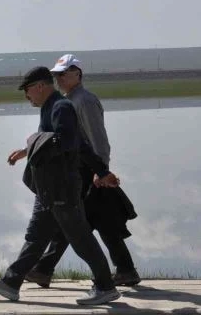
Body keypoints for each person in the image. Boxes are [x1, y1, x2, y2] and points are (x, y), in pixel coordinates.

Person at [0, 66, 121, 305]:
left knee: (80, 238)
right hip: (48, 187)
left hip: (62, 187)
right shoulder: (50, 108)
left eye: (27, 91)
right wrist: (29, 149)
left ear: (39, 86)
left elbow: (68, 142)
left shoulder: (61, 107)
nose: (27, 97)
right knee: (36, 236)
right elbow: (69, 142)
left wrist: (102, 171)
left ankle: (106, 286)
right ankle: (11, 283)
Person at [25, 54, 140, 288]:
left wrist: (101, 171)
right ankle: (124, 270)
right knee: (93, 222)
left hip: (89, 175)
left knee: (73, 222)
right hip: (83, 172)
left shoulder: (84, 101)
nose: (58, 79)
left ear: (77, 73)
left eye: (63, 74)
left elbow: (96, 139)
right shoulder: (69, 100)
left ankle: (44, 269)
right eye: (56, 75)